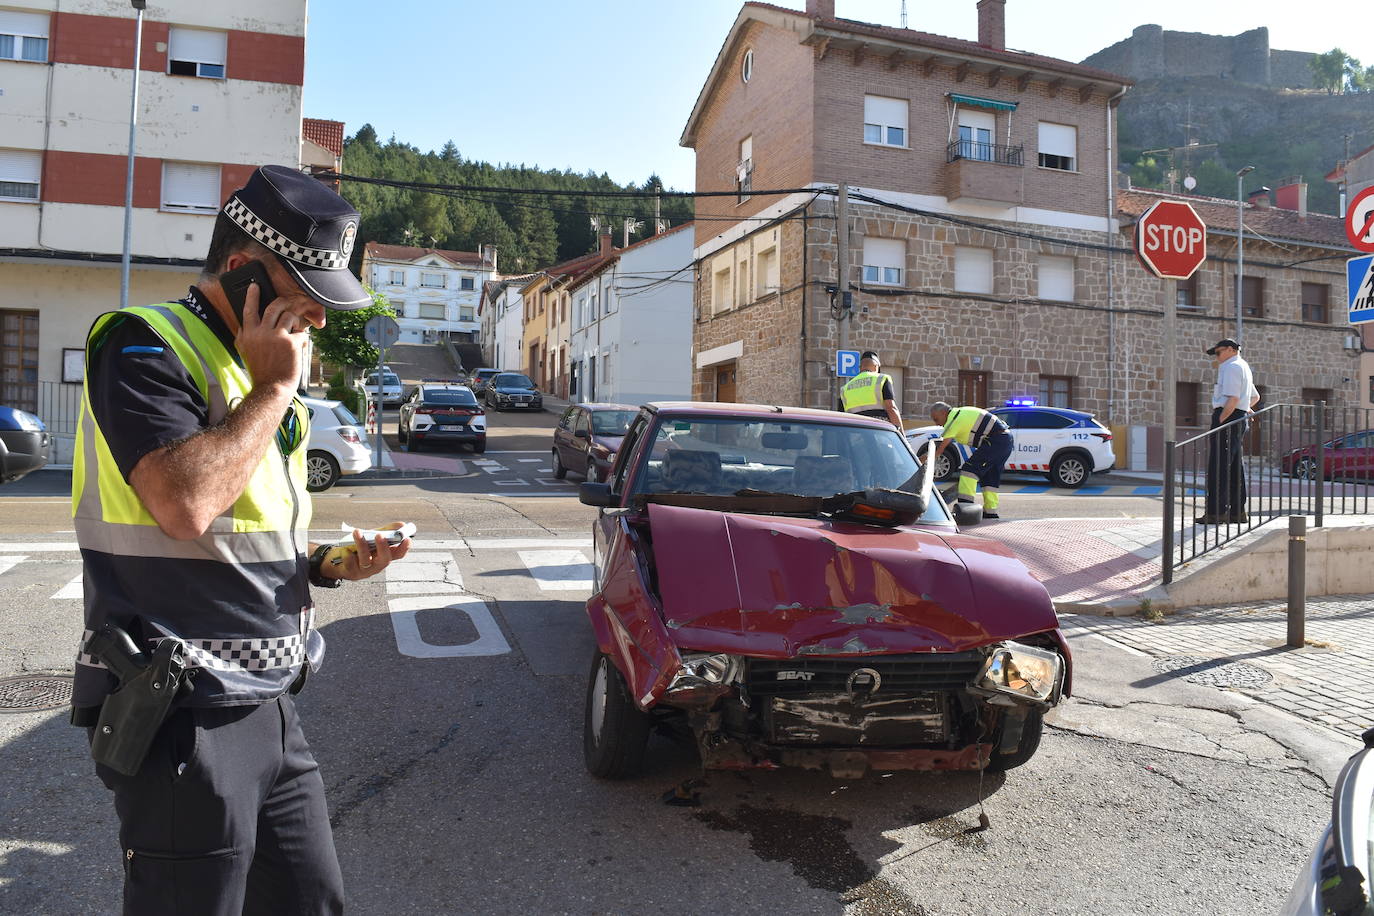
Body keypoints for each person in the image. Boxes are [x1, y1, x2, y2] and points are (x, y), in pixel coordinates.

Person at [70, 165, 411, 915]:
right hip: (181, 711)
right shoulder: (143, 345)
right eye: (307, 297)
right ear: (240, 269)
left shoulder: (252, 366)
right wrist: (273, 391)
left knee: (313, 902)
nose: (319, 321)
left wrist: (327, 562)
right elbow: (185, 504)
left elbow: (243, 531)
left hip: (270, 705)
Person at [1197, 337, 1260, 525]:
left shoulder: (1231, 367)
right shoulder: (1243, 366)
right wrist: (1243, 408)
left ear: (1232, 349)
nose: (1217, 357)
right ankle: (1237, 511)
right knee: (1234, 467)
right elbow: (1255, 397)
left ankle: (1217, 512)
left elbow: (1232, 398)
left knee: (1219, 466)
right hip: (1237, 417)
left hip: (1228, 417)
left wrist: (1222, 418)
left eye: (1218, 352)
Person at [928, 401, 1014, 519]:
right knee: (990, 477)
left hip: (996, 440)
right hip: (1005, 440)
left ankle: (966, 509)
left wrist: (920, 464)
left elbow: (939, 451)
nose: (937, 424)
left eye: (936, 419)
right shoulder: (960, 412)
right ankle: (990, 512)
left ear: (943, 413)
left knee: (969, 470)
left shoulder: (954, 419)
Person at [840, 350, 902, 427]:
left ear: (860, 368)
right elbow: (891, 408)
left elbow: (841, 416)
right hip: (878, 427)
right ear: (876, 366)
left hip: (855, 429)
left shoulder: (845, 388)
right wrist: (901, 434)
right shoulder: (881, 379)